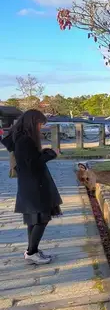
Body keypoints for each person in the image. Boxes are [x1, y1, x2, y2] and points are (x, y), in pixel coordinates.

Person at [0, 110, 62, 264]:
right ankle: (31, 252)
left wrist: (45, 152)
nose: (40, 127)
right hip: (35, 185)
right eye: (40, 124)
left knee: (33, 219)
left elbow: (31, 159)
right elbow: (33, 163)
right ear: (32, 123)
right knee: (42, 218)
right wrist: (52, 154)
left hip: (29, 184)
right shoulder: (25, 140)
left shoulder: (20, 138)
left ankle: (32, 250)